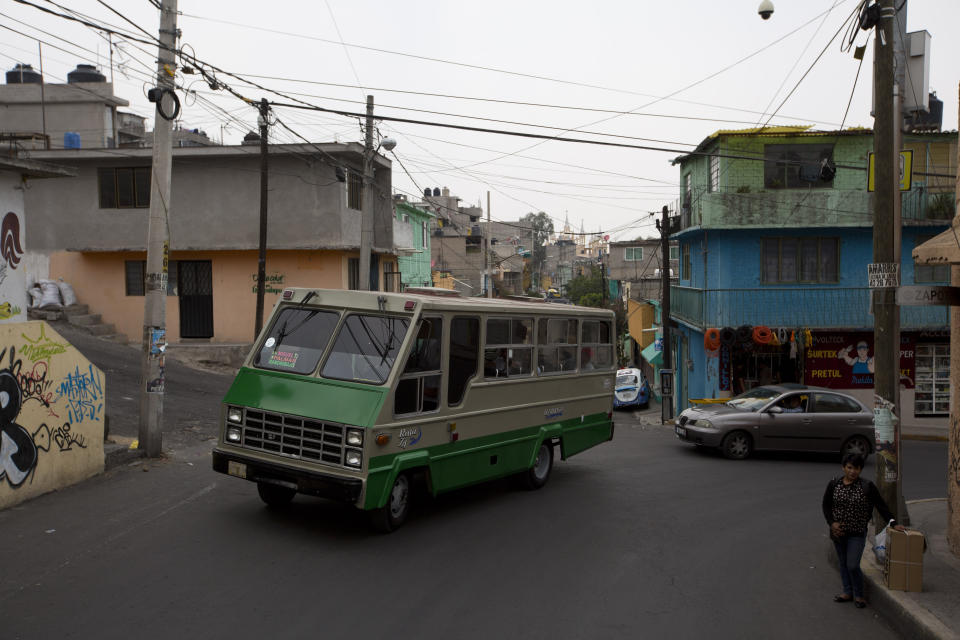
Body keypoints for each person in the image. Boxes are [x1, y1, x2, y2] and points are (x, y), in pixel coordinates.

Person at [821, 454, 905, 608]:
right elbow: (826, 505)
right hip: (838, 533)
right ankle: (847, 592)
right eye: (850, 467)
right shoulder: (834, 484)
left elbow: (881, 506)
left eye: (857, 468)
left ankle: (859, 594)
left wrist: (893, 523)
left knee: (852, 564)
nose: (853, 471)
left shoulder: (866, 486)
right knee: (843, 563)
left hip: (857, 533)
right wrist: (832, 523)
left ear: (860, 469)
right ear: (844, 467)